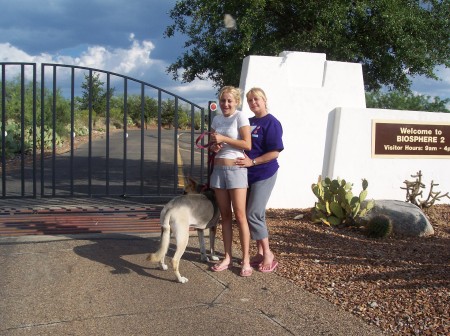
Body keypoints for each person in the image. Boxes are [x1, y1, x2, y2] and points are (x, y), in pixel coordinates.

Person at [236, 87, 284, 273]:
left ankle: (268, 254)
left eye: (256, 99)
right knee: (256, 214)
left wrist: (253, 161)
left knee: (253, 214)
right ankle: (259, 252)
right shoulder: (248, 122)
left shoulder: (272, 123)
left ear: (264, 100)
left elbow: (274, 152)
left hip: (264, 172)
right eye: (250, 100)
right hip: (247, 174)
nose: (253, 103)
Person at [209, 86, 253, 277]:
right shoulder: (216, 119)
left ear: (236, 102)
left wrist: (224, 138)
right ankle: (227, 257)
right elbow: (212, 145)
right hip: (218, 169)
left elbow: (247, 144)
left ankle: (245, 260)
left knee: (240, 216)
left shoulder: (240, 117)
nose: (225, 104)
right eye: (223, 101)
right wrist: (215, 146)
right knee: (225, 216)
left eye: (229, 101)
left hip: (236, 169)